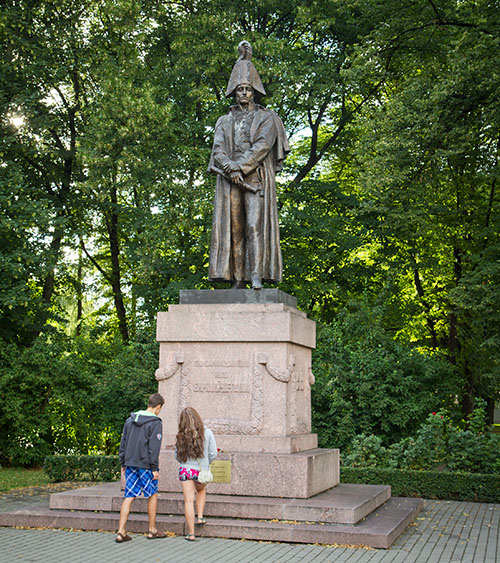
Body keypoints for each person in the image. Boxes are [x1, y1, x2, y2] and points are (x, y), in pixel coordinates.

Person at [208, 40, 290, 289]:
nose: (243, 93)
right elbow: (218, 149)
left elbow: (262, 147)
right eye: (239, 89)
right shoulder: (224, 120)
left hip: (256, 180)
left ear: (254, 91)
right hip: (230, 181)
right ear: (234, 92)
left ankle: (256, 275)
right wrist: (229, 168)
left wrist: (239, 168)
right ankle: (238, 279)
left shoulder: (267, 118)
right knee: (235, 230)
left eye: (248, 89)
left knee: (254, 226)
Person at [116, 393, 167, 543]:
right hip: (146, 465)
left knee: (129, 495)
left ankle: (121, 531)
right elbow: (154, 447)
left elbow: (123, 442)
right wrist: (154, 468)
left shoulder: (130, 420)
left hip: (130, 463)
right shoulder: (156, 422)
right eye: (160, 408)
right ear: (158, 407)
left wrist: (123, 462)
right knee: (152, 494)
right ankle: (152, 530)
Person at [175, 407, 217, 541]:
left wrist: (185, 463)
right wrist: (206, 464)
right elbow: (213, 453)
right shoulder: (208, 433)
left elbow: (177, 456)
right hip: (201, 471)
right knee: (201, 491)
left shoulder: (181, 435)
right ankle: (199, 517)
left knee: (188, 500)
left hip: (186, 470)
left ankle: (191, 533)